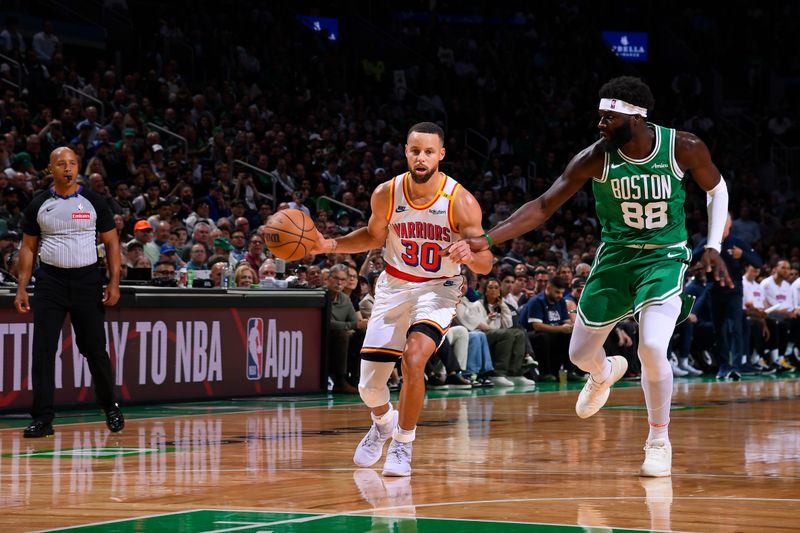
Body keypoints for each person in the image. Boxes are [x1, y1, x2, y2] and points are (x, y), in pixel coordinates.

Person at [459, 77, 731, 477]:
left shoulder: (683, 146)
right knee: (579, 355)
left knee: (653, 346)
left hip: (664, 257)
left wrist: (713, 246)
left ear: (635, 118)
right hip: (615, 258)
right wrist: (487, 239)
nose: (600, 123)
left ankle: (658, 439)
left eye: (608, 116)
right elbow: (543, 205)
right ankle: (603, 373)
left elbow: (717, 189)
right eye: (600, 115)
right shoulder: (594, 157)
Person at [310, 122, 492, 476]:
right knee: (369, 387)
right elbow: (373, 235)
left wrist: (470, 255)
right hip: (394, 286)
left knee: (413, 359)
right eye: (414, 151)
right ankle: (382, 423)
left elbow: (486, 262)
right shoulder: (386, 193)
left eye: (428, 152)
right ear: (406, 152)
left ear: (441, 154)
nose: (421, 158)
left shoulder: (461, 201)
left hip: (438, 288)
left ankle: (403, 444)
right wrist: (330, 244)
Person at [15, 147, 124, 438]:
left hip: (87, 281)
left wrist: (114, 283)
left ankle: (110, 406)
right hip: (50, 282)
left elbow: (112, 243)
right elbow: (28, 247)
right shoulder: (38, 204)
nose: (68, 168)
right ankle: (43, 418)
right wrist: (22, 287)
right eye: (61, 164)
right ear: (50, 169)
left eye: (73, 163)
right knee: (43, 351)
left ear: (78, 168)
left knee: (94, 349)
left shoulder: (94, 201)